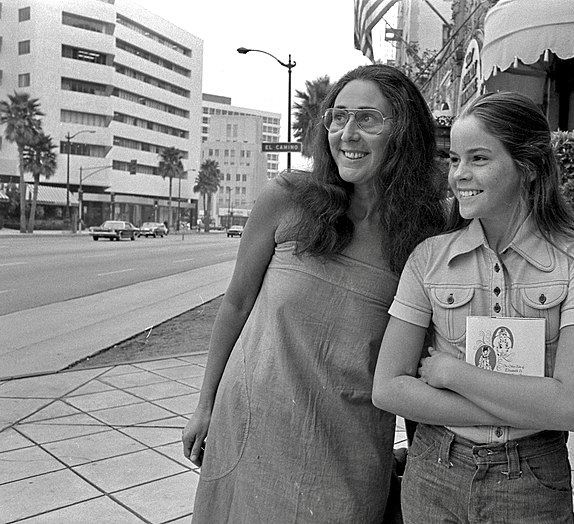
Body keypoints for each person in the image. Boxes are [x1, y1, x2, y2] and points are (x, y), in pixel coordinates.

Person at [182, 64, 447, 524]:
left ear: (403, 132)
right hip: (252, 431)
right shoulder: (288, 197)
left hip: (351, 449)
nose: (347, 133)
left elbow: (418, 359)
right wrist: (204, 404)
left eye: (368, 119)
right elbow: (236, 303)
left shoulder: (428, 235)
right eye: (338, 117)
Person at [372, 91, 574, 523]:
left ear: (530, 167)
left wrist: (454, 375)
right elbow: (388, 387)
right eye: (454, 159)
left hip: (531, 481)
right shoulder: (428, 259)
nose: (459, 174)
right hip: (435, 472)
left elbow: (573, 408)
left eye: (478, 158)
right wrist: (532, 403)